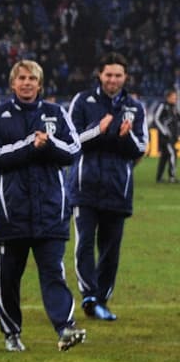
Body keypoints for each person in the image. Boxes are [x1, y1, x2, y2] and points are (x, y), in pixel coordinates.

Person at [0, 60, 86, 353]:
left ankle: (65, 328)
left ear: (40, 84)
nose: (27, 83)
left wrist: (48, 144)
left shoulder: (56, 113)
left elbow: (73, 150)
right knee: (9, 278)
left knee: (53, 273)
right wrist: (30, 145)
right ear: (13, 83)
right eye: (22, 78)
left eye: (32, 79)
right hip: (11, 212)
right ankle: (12, 333)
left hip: (50, 210)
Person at [68, 52, 147, 321]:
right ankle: (89, 296)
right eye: (109, 74)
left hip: (118, 189)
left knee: (111, 250)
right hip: (84, 187)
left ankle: (101, 300)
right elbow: (72, 141)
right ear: (99, 75)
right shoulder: (82, 101)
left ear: (125, 77)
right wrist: (98, 130)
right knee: (85, 244)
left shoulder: (136, 108)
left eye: (118, 75)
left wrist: (125, 138)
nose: (113, 79)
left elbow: (141, 148)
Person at [153, 88, 178, 184]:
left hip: (172, 136)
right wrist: (164, 131)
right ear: (168, 97)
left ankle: (159, 178)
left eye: (175, 97)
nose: (175, 99)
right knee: (172, 154)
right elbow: (156, 118)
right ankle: (172, 177)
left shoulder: (174, 107)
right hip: (165, 137)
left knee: (164, 157)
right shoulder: (163, 106)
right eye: (173, 97)